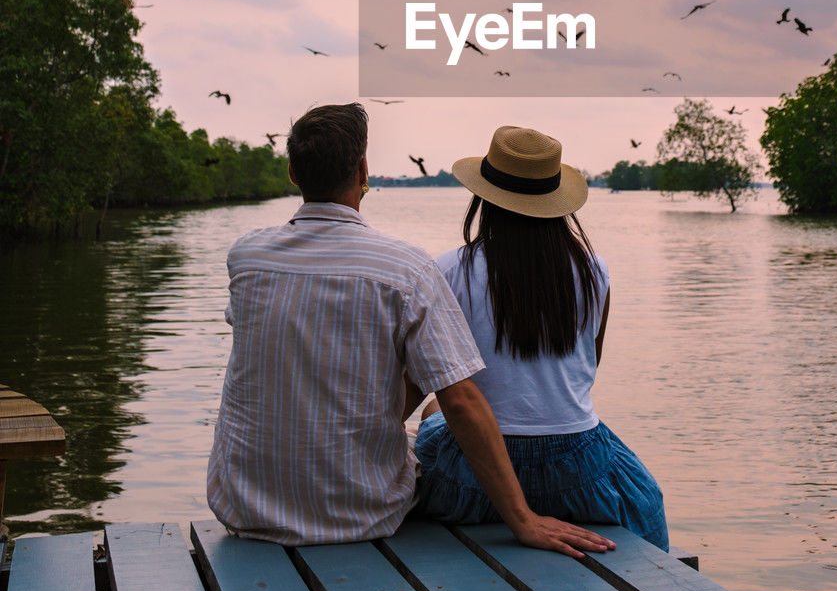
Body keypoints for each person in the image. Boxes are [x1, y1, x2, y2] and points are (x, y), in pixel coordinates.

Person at [206, 102, 613, 557]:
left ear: (293, 174)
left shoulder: (245, 258)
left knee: (429, 407)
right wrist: (522, 520)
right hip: (363, 513)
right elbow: (468, 397)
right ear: (363, 169)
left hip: (243, 507)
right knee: (442, 403)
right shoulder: (406, 269)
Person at [414, 125, 670, 550]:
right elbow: (586, 373)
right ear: (556, 202)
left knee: (434, 407)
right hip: (576, 472)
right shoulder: (595, 272)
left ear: (484, 198)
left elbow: (430, 380)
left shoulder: (449, 270)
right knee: (646, 499)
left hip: (473, 479)